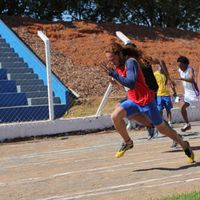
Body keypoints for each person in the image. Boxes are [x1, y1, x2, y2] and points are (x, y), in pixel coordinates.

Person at [100, 42, 194, 163]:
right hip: (133, 100)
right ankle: (128, 142)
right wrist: (115, 77)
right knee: (115, 116)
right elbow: (126, 83)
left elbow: (131, 83)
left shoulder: (131, 62)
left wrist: (114, 74)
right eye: (109, 60)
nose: (112, 62)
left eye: (112, 59)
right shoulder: (119, 64)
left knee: (163, 129)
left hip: (146, 100)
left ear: (120, 54)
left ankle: (183, 144)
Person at [176, 56, 199, 132]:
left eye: (181, 65)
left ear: (185, 64)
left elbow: (192, 80)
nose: (179, 67)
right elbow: (182, 82)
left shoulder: (190, 69)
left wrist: (182, 79)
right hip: (187, 94)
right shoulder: (180, 70)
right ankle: (187, 124)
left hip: (194, 94)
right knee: (182, 107)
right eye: (178, 65)